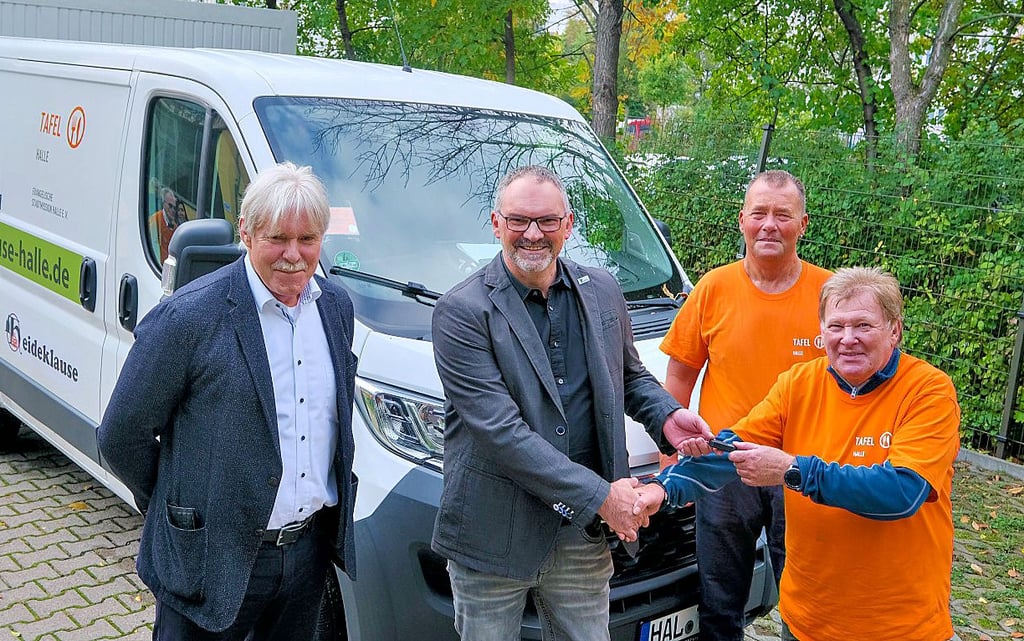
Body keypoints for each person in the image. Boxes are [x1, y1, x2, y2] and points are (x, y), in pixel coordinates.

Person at [430, 165, 712, 641]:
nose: (532, 234)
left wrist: (667, 416)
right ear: (496, 224)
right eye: (519, 220)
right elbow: (501, 433)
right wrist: (603, 497)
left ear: (568, 224)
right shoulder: (461, 311)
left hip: (582, 533)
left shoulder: (602, 289)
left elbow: (628, 375)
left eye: (546, 220)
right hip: (494, 534)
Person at [98, 162, 358, 640]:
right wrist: (179, 507)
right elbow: (121, 435)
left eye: (307, 239)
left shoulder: (336, 308)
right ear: (246, 232)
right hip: (209, 559)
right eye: (278, 238)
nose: (294, 255)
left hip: (306, 556)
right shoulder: (189, 317)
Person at [636, 267, 961, 641]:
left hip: (899, 628)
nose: (848, 339)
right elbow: (733, 449)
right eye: (836, 326)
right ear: (821, 332)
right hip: (806, 622)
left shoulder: (928, 392)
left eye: (863, 326)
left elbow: (903, 492)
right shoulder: (798, 383)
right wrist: (662, 489)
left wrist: (793, 470)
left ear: (894, 330)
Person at [659, 169, 832, 640]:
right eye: (759, 213)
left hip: (800, 469)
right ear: (742, 220)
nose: (769, 225)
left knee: (805, 598)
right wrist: (669, 452)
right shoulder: (713, 288)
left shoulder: (831, 296)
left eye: (783, 215)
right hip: (724, 465)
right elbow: (680, 374)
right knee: (719, 599)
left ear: (803, 224)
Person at [149, 187, 186, 263]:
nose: (173, 210)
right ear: (163, 204)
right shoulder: (154, 222)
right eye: (170, 206)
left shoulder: (175, 225)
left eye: (174, 207)